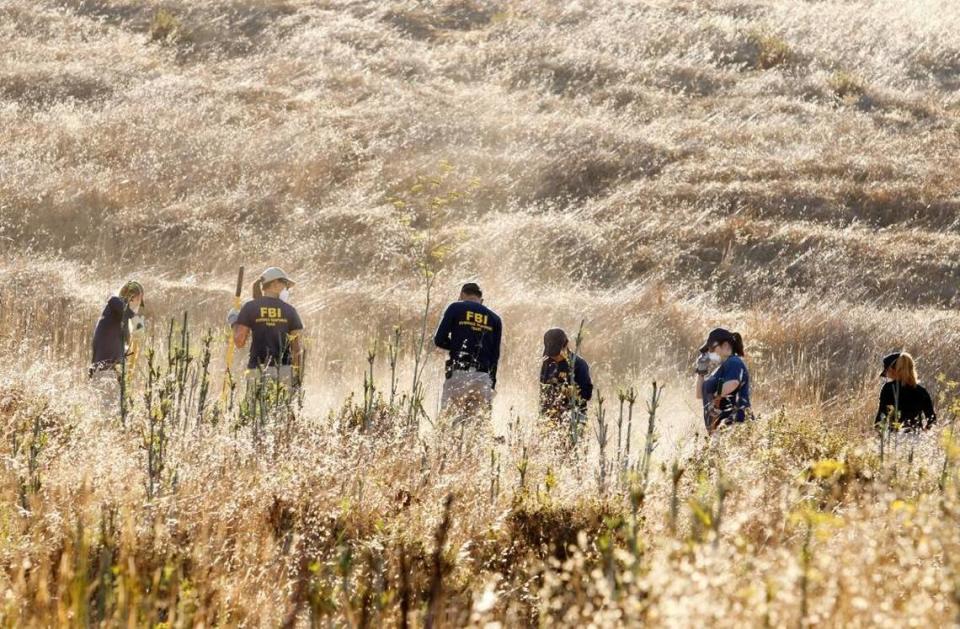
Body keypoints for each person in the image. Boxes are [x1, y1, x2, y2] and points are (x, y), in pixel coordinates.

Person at [229, 267, 304, 410]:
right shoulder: (290, 311)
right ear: (275, 284)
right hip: (285, 371)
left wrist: (234, 321)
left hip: (257, 369)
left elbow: (239, 342)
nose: (287, 289)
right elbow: (297, 350)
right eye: (285, 285)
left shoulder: (250, 307)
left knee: (256, 414)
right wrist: (296, 378)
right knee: (282, 414)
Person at [433, 282, 502, 420]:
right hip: (483, 378)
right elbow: (495, 356)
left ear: (462, 295)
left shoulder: (456, 307)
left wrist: (458, 347)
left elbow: (439, 340)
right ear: (481, 300)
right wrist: (491, 383)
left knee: (446, 423)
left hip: (459, 374)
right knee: (478, 428)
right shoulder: (495, 319)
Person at [694, 328, 751, 433]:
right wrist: (701, 372)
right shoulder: (721, 369)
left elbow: (733, 383)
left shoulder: (734, 362)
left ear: (725, 345)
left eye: (711, 349)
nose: (710, 353)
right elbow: (699, 395)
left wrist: (716, 397)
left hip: (733, 426)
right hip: (719, 429)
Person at [539, 328, 593, 435]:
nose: (553, 357)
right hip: (550, 420)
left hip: (574, 418)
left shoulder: (578, 364)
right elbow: (543, 392)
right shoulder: (547, 363)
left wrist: (571, 391)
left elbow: (587, 394)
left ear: (566, 345)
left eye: (556, 353)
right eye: (551, 354)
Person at [90, 280, 145, 377]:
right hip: (104, 369)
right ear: (131, 298)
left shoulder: (121, 319)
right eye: (138, 301)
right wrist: (136, 321)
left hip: (109, 370)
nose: (138, 306)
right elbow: (118, 305)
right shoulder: (115, 302)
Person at [875, 352, 936, 431]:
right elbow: (931, 420)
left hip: (894, 436)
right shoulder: (921, 391)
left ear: (893, 370)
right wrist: (925, 433)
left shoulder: (888, 389)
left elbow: (881, 417)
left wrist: (878, 433)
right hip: (916, 437)